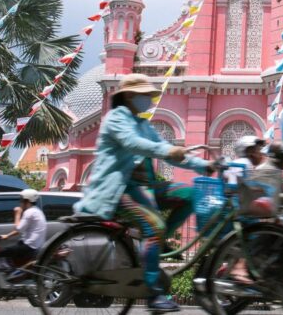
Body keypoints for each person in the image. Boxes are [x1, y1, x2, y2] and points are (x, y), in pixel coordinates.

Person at [74, 73, 215, 313]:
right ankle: (153, 293)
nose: (149, 99)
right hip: (119, 190)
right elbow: (134, 144)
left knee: (190, 195)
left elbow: (168, 152)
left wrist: (205, 165)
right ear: (129, 96)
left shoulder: (143, 125)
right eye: (145, 95)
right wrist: (170, 150)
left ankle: (154, 246)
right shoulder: (115, 119)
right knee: (156, 227)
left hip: (145, 189)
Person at [0, 189, 46, 266]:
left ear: (27, 201)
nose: (20, 203)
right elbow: (21, 230)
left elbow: (18, 229)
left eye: (21, 200)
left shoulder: (29, 212)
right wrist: (7, 236)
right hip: (34, 246)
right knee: (10, 258)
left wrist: (17, 213)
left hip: (28, 247)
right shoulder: (37, 211)